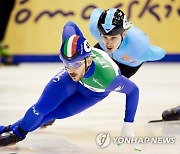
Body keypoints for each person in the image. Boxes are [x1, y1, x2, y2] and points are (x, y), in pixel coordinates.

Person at [0, 21, 140, 151]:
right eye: (66, 64)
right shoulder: (72, 67)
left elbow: (133, 91)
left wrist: (128, 124)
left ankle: (19, 129)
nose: (71, 69)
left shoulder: (108, 78)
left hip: (93, 93)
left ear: (88, 60)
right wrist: (76, 42)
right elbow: (70, 24)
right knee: (42, 107)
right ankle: (14, 131)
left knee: (53, 113)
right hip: (70, 82)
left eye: (76, 64)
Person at [89, 8, 166, 78]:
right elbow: (96, 11)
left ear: (123, 34)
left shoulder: (138, 47)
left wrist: (137, 57)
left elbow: (160, 53)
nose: (109, 43)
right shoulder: (95, 29)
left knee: (105, 83)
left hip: (126, 66)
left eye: (114, 38)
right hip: (103, 51)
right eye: (105, 37)